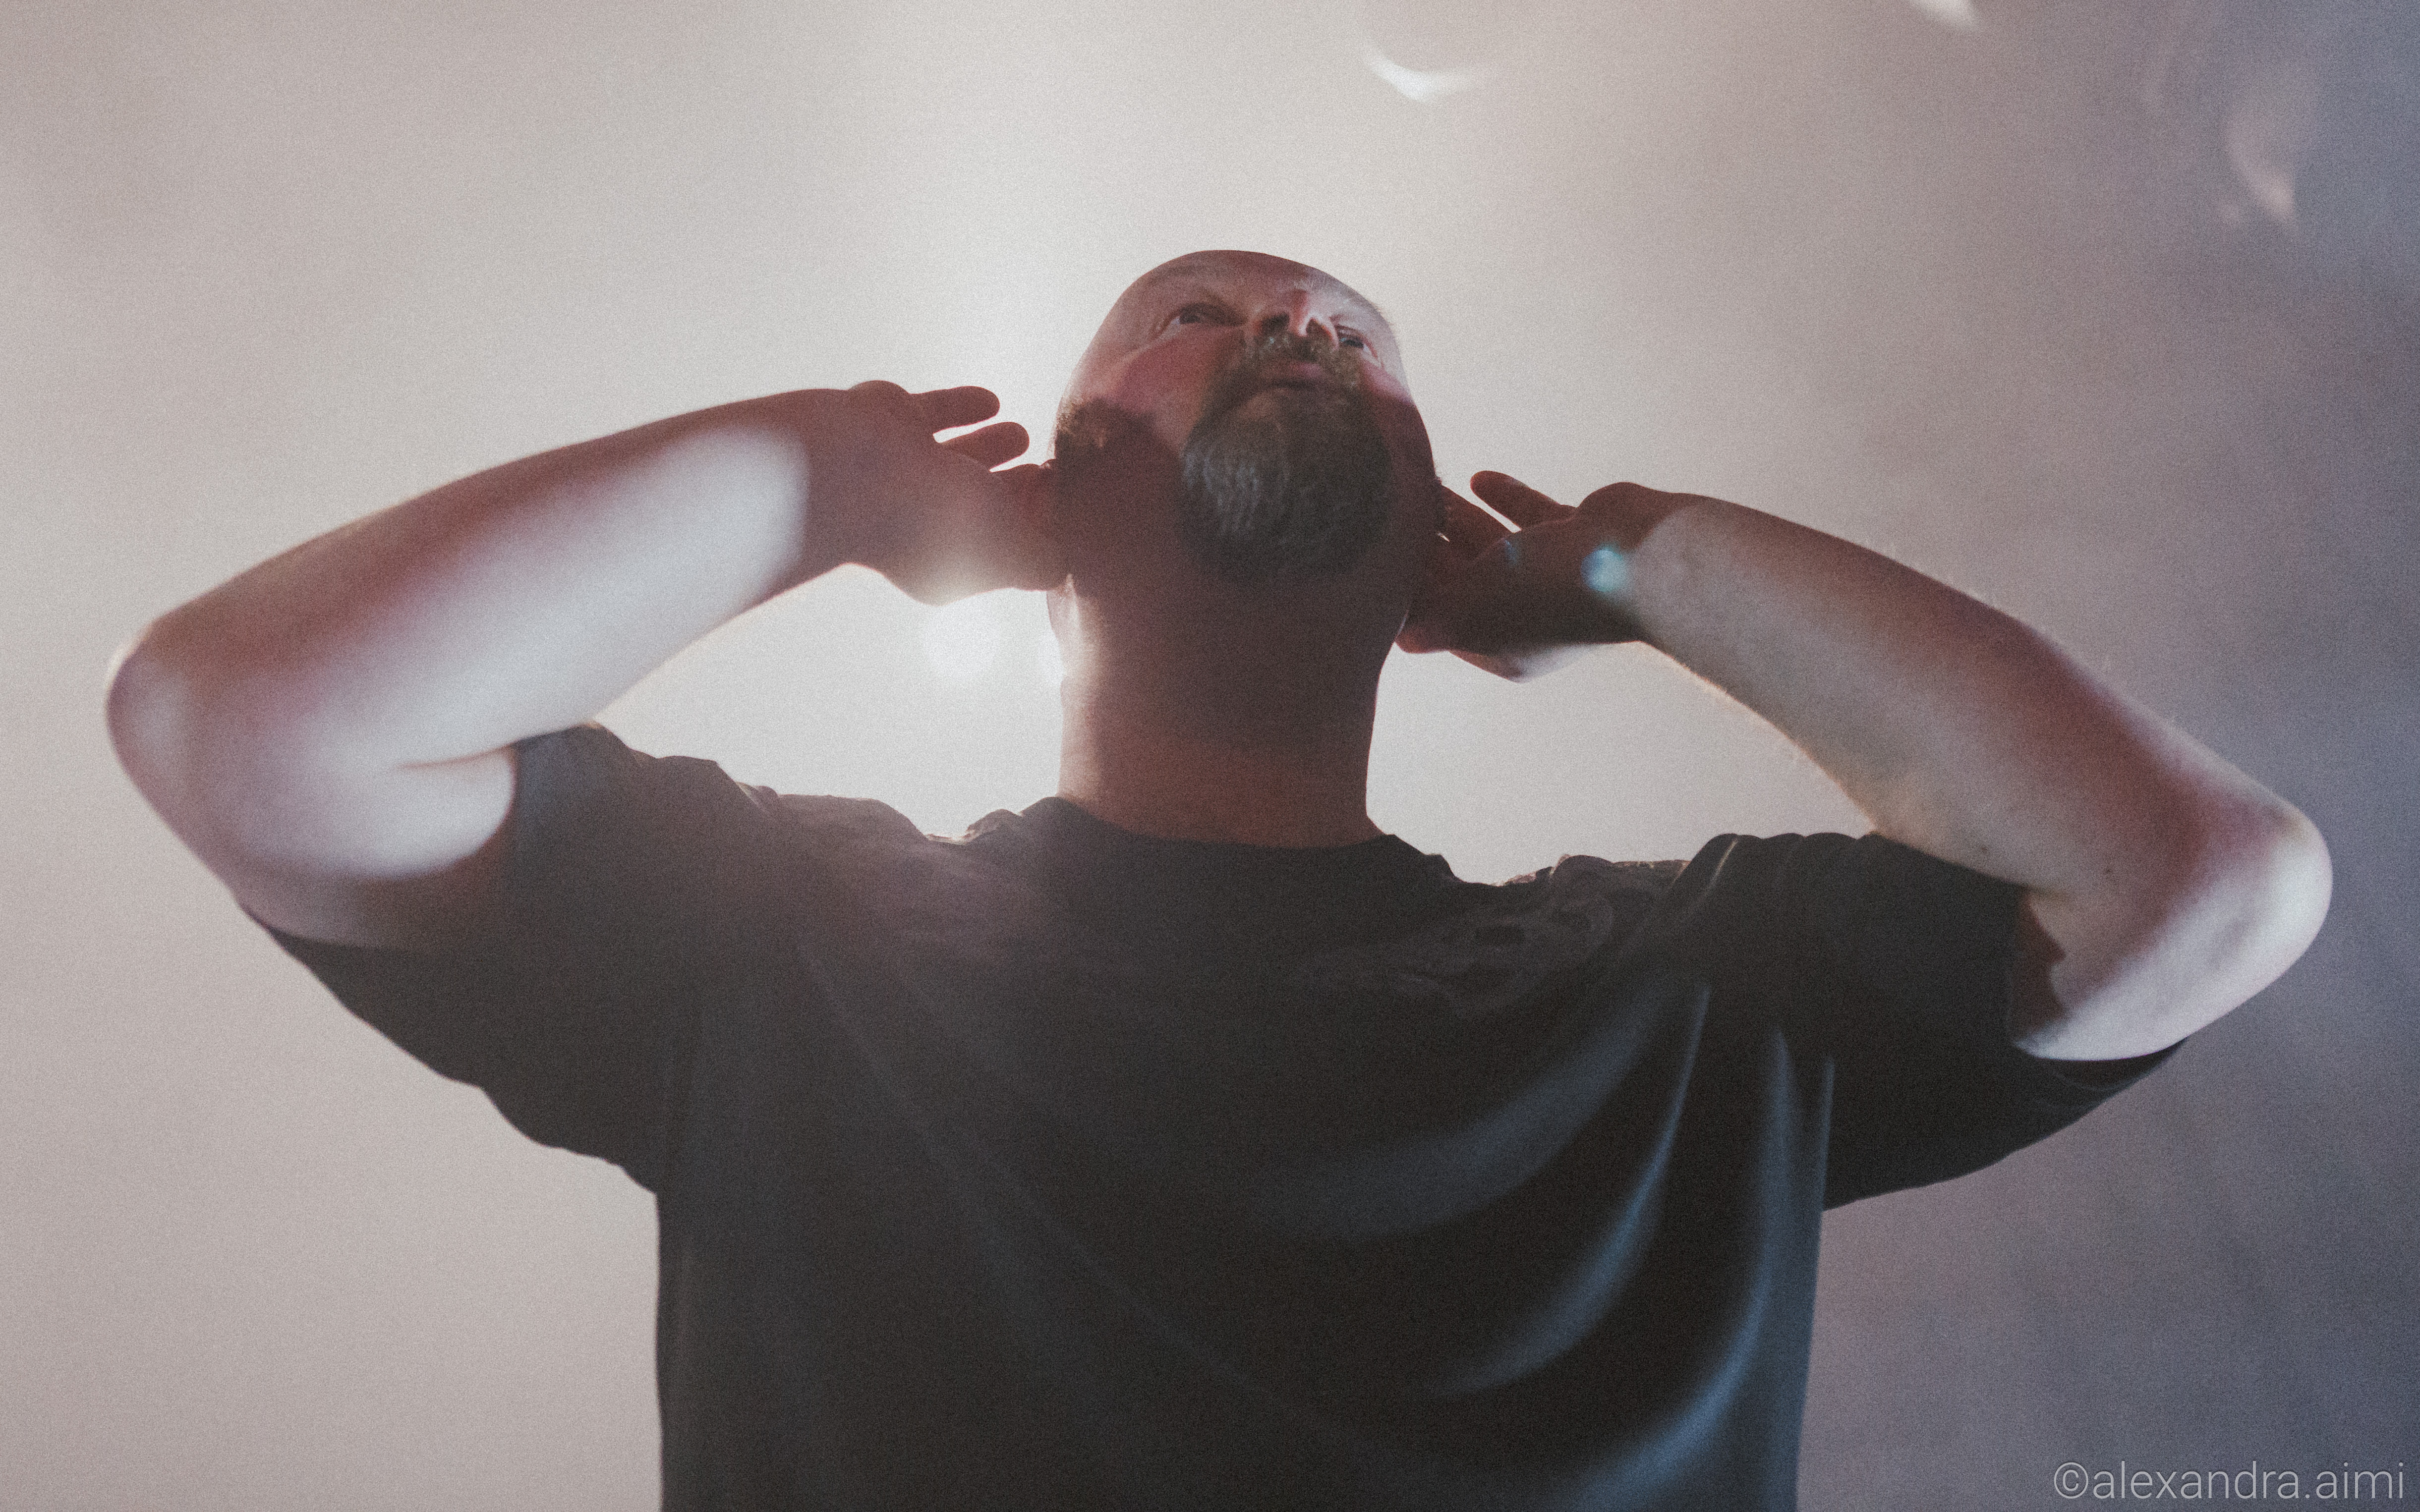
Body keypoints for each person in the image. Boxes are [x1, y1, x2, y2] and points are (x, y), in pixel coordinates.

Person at [107, 249, 2331, 1509]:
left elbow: (2207, 881)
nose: (1303, 328)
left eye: (1358, 339)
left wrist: (1646, 561)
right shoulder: (785, 936)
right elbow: (241, 724)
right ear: (1052, 484)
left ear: (1433, 535)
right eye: (1203, 308)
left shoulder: (1681, 987)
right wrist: (837, 472)